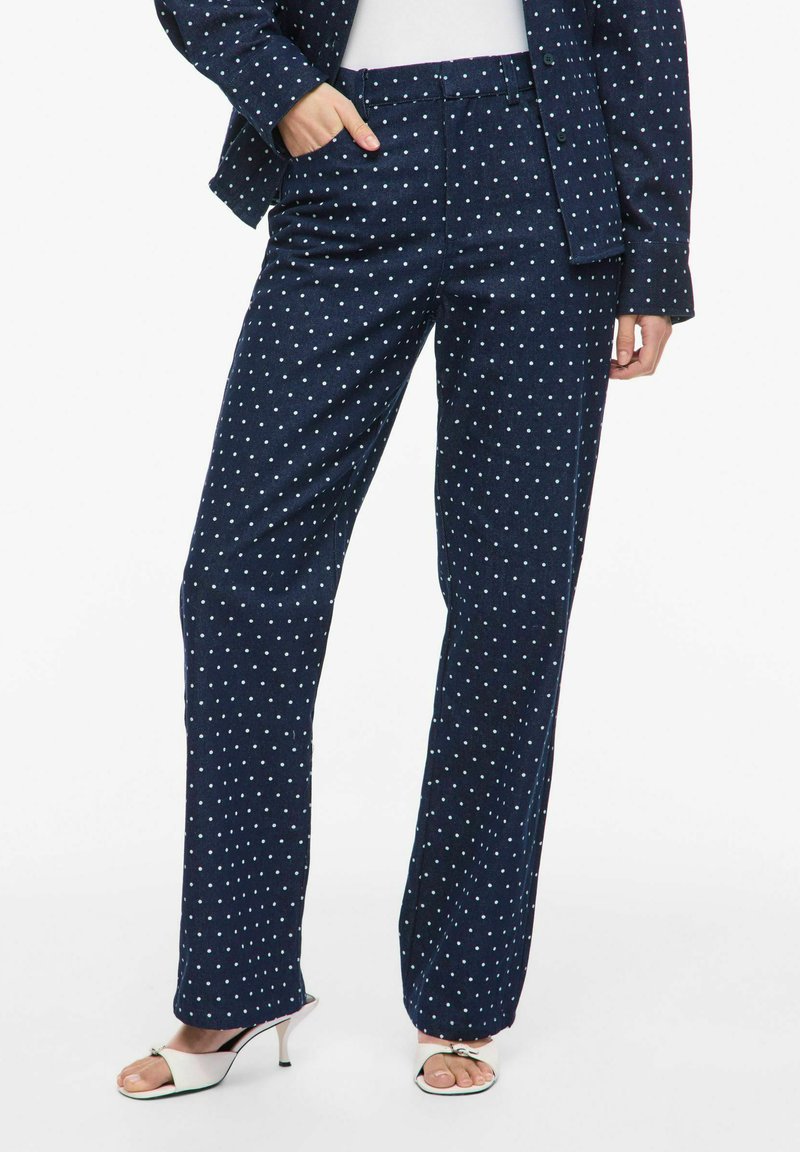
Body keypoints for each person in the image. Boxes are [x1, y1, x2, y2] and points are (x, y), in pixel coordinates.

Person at [117, 0, 694, 1099]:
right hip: (347, 153)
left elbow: (636, 22)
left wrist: (656, 252)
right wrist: (278, 85)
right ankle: (235, 981)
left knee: (510, 598)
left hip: (544, 172)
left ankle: (463, 997)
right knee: (239, 580)